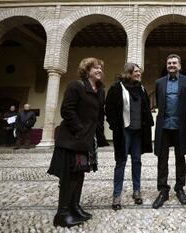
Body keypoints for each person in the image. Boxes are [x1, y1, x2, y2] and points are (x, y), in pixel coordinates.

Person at [47, 57, 105, 228]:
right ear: (86, 70)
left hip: (86, 140)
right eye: (95, 68)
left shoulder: (100, 90)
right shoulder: (76, 86)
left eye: (100, 68)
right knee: (69, 177)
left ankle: (75, 207)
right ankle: (62, 214)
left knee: (79, 174)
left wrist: (97, 135)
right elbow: (67, 110)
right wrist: (79, 129)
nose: (99, 70)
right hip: (72, 139)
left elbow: (98, 114)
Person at [105, 62, 154, 210]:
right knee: (121, 161)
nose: (139, 74)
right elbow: (109, 108)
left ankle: (136, 191)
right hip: (124, 131)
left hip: (138, 132)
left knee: (137, 161)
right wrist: (115, 126)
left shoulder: (142, 89)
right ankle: (117, 195)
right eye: (136, 71)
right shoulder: (116, 88)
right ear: (128, 72)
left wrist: (147, 123)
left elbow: (146, 108)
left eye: (139, 72)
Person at [152, 54, 186, 209]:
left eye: (174, 63)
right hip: (164, 126)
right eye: (169, 63)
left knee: (180, 158)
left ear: (179, 65)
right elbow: (159, 101)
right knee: (162, 160)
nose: (171, 65)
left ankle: (179, 188)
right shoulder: (159, 83)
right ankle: (163, 190)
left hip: (180, 126)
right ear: (166, 65)